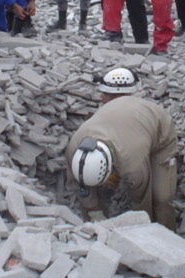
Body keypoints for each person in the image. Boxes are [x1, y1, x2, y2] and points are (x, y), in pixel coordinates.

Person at [66, 67, 177, 229]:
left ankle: (168, 234)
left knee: (161, 197)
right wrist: (94, 213)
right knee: (98, 193)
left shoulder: (132, 163)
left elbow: (141, 197)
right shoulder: (75, 148)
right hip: (125, 135)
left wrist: (140, 229)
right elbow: (80, 185)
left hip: (159, 136)